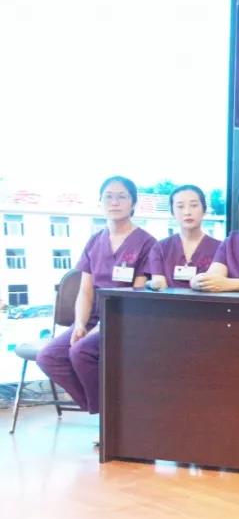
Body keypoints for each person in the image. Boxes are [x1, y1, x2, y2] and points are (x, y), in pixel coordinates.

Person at [36, 176, 156, 415]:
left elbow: (137, 295)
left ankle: (110, 418)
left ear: (133, 203)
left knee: (80, 352)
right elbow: (85, 290)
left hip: (123, 318)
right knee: (49, 357)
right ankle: (105, 413)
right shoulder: (95, 241)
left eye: (122, 197)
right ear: (100, 202)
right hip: (92, 318)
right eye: (108, 197)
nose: (115, 202)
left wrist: (102, 325)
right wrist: (80, 324)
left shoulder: (147, 243)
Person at [147, 185, 221, 290]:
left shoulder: (221, 248)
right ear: (172, 212)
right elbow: (159, 283)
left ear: (204, 210)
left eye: (194, 205)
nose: (187, 212)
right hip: (167, 300)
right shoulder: (160, 248)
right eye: (180, 206)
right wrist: (153, 284)